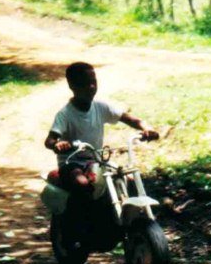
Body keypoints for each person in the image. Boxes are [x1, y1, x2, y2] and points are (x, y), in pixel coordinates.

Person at [44, 62, 159, 194]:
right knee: (82, 183)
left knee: (129, 180)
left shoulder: (100, 107)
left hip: (95, 161)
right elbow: (49, 141)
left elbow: (131, 119)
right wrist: (58, 144)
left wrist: (146, 128)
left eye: (93, 82)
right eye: (84, 83)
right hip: (71, 162)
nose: (91, 86)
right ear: (72, 86)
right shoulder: (65, 114)